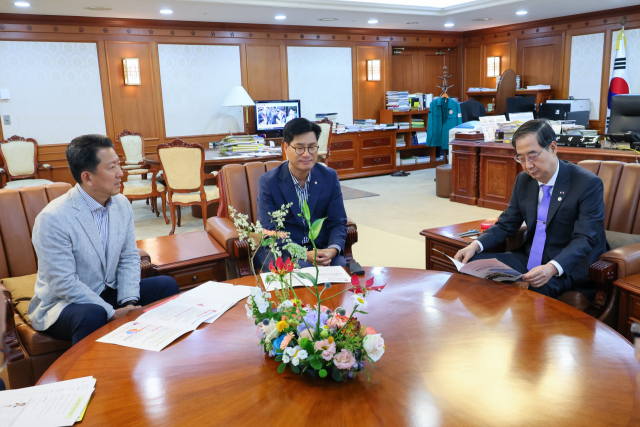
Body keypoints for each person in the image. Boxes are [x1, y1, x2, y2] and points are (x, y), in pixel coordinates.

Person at [27, 134, 179, 346]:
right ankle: (89, 375)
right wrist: (111, 312)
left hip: (108, 291)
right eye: (111, 168)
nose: (120, 173)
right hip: (64, 304)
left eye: (118, 164)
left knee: (166, 286)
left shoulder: (121, 204)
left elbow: (128, 257)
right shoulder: (53, 219)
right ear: (87, 177)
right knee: (93, 314)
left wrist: (129, 302)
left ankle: (158, 352)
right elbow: (63, 283)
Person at [454, 119, 607, 299]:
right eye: (521, 158)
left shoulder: (587, 184)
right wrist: (475, 245)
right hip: (530, 258)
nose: (528, 165)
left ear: (552, 147)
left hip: (567, 266)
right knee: (470, 265)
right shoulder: (524, 180)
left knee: (534, 291)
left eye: (533, 156)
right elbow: (507, 224)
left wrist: (551, 267)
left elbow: (585, 239)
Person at [255, 118, 347, 269]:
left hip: (321, 250)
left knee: (343, 268)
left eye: (312, 147)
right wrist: (303, 253)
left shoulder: (329, 177)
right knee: (305, 271)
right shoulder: (268, 182)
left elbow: (338, 221)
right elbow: (270, 231)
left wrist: (332, 249)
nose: (306, 154)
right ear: (285, 147)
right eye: (299, 148)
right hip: (285, 253)